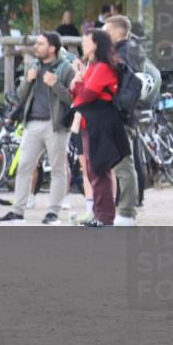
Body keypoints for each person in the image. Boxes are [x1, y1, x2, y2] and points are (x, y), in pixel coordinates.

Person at [0, 32, 74, 225]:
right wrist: (28, 80)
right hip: (32, 124)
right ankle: (17, 212)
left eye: (40, 43)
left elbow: (73, 99)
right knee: (24, 167)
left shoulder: (66, 69)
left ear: (52, 48)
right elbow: (20, 97)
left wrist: (55, 85)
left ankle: (53, 213)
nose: (36, 47)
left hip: (56, 126)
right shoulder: (33, 66)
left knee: (57, 169)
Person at [68, 29, 130, 227]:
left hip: (101, 122)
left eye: (86, 42)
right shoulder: (94, 66)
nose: (83, 46)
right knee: (92, 169)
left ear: (95, 44)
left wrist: (79, 83)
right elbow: (80, 94)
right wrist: (79, 82)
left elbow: (86, 95)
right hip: (91, 122)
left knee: (99, 169)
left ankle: (104, 217)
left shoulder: (102, 67)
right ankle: (99, 214)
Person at [103, 15, 145, 225]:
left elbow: (123, 84)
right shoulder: (129, 51)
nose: (104, 34)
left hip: (121, 115)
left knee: (124, 165)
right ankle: (122, 209)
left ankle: (127, 211)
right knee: (121, 164)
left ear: (118, 32)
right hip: (124, 115)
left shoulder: (123, 54)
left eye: (107, 30)